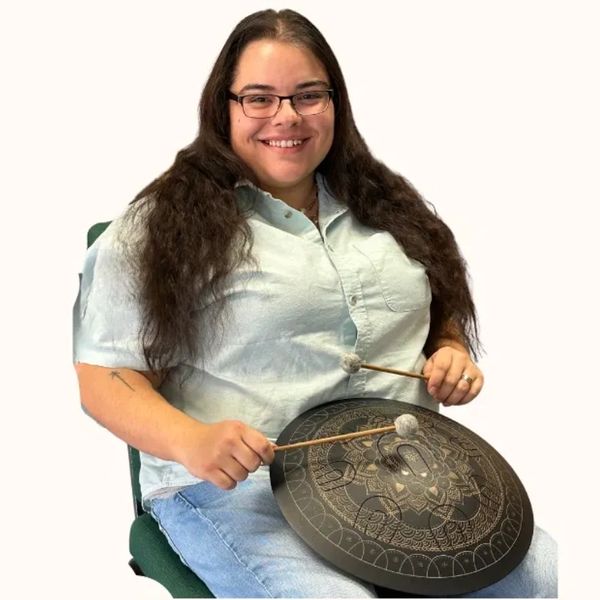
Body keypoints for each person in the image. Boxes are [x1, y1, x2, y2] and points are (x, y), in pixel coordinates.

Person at [73, 8, 556, 598]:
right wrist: (189, 441)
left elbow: (432, 307)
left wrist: (450, 348)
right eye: (259, 98)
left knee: (532, 574)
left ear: (335, 104)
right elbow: (104, 379)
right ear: (223, 108)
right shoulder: (158, 227)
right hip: (241, 491)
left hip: (397, 472)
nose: (287, 116)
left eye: (308, 96)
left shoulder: (385, 204)